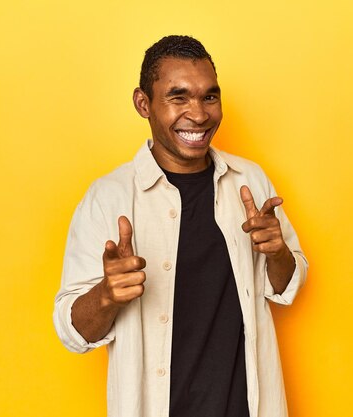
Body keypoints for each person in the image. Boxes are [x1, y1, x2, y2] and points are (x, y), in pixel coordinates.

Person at [53, 35, 308, 417]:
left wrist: (278, 253)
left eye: (209, 96)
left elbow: (287, 285)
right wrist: (106, 295)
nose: (199, 114)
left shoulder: (250, 182)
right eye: (178, 97)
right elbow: (71, 331)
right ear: (144, 104)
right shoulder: (108, 198)